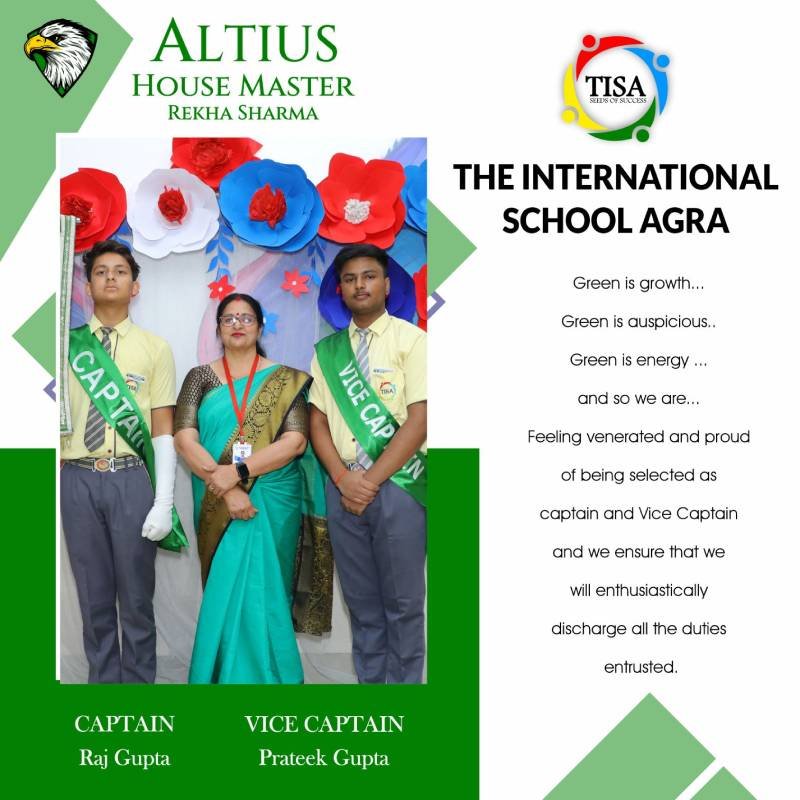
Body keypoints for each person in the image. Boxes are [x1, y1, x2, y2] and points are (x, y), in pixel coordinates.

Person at [175, 293, 329, 684]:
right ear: (219, 329)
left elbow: (295, 442)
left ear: (260, 327)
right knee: (226, 586)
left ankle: (271, 680)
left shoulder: (286, 379)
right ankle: (221, 678)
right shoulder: (200, 378)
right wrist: (226, 487)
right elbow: (184, 440)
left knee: (265, 588)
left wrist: (239, 471)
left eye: (246, 318)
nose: (238, 324)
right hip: (216, 495)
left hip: (273, 496)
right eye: (229, 318)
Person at [61, 240, 179, 683]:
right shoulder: (64, 346)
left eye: (120, 271)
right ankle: (104, 692)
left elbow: (163, 429)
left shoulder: (155, 348)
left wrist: (164, 501)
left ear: (135, 286)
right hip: (77, 479)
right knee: (93, 599)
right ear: (87, 284)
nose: (110, 277)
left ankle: (138, 694)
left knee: (135, 598)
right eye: (100, 271)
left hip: (131, 480)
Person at [309, 244, 428, 684]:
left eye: (369, 276)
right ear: (340, 290)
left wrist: (369, 481)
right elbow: (316, 420)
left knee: (403, 604)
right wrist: (343, 479)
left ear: (387, 284)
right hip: (343, 489)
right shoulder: (327, 352)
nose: (360, 285)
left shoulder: (413, 342)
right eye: (350, 279)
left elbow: (421, 420)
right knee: (362, 604)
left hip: (398, 486)